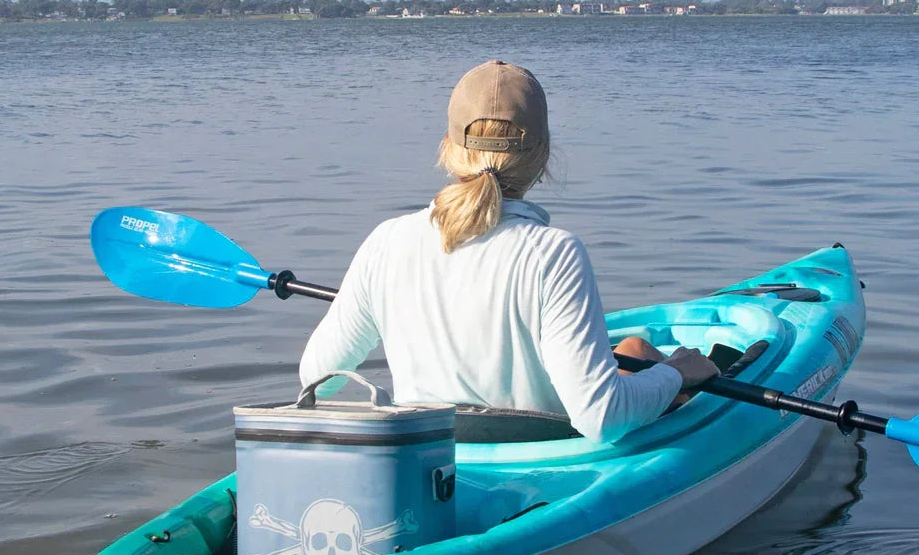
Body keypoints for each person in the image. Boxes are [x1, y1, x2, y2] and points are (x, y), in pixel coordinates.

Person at [299, 59, 719, 443]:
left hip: (426, 460)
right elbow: (601, 418)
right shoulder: (554, 253)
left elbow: (316, 378)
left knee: (632, 352)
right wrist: (675, 373)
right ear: (544, 155)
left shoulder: (385, 242)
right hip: (543, 470)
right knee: (643, 358)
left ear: (447, 145)